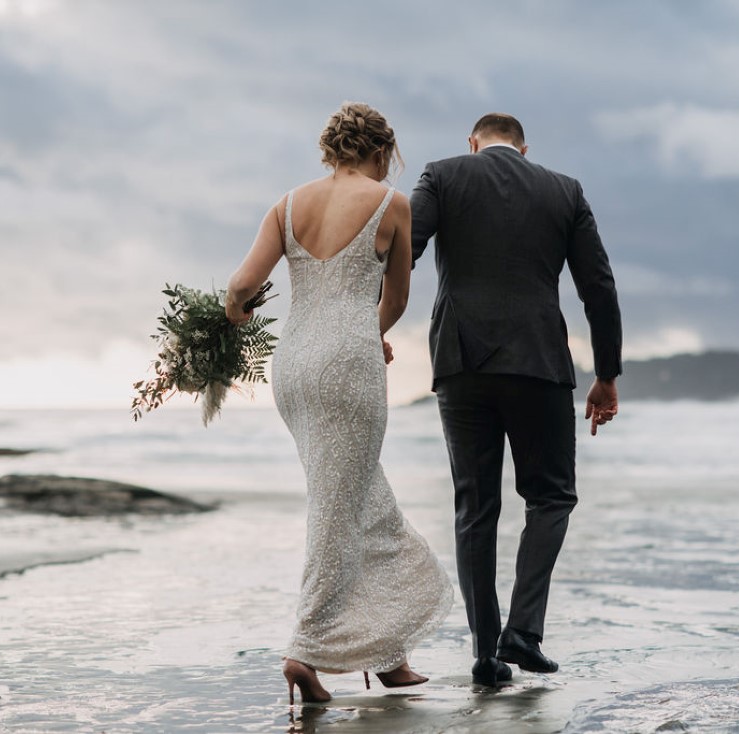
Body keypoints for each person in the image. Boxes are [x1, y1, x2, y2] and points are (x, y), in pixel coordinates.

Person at [225, 102, 452, 705]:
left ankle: (389, 655)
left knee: (358, 499)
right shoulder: (391, 204)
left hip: (294, 367)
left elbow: (243, 285)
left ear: (332, 149)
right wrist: (369, 332)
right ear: (381, 152)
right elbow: (397, 300)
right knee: (336, 507)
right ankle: (305, 651)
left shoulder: (288, 204)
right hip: (348, 366)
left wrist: (231, 315)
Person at [410, 113, 622, 687]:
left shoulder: (442, 175)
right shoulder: (565, 190)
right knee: (551, 497)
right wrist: (606, 374)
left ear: (473, 144)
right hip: (540, 364)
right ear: (524, 151)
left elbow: (403, 250)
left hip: (461, 364)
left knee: (474, 508)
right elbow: (597, 286)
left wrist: (371, 319)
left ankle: (485, 652)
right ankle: (523, 633)